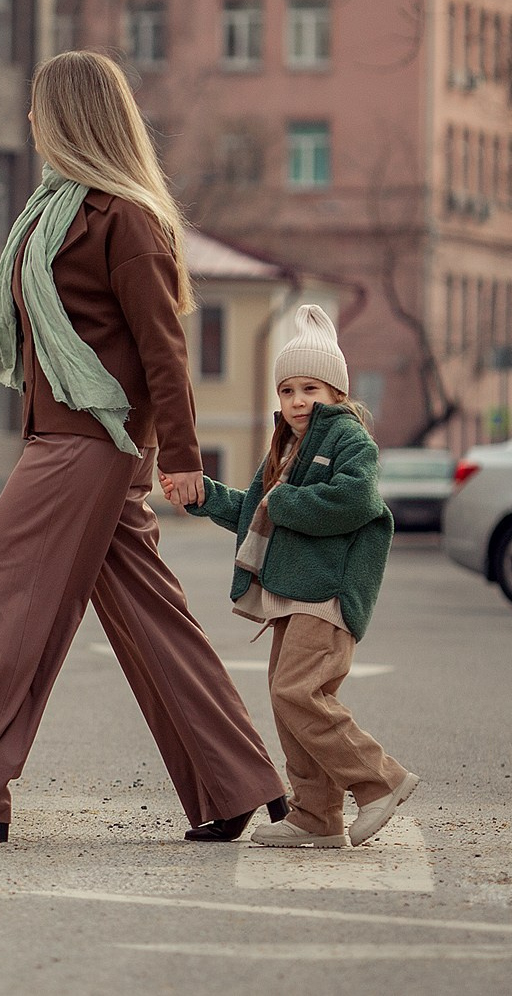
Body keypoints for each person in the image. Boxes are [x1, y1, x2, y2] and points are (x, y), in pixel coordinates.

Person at [0, 50, 286, 844]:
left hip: (88, 443)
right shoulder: (45, 216)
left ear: (69, 117)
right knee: (148, 615)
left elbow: (163, 348)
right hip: (67, 439)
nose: (29, 121)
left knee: (6, 587)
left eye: (39, 108)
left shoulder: (124, 218)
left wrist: (181, 456)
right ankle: (233, 783)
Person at [175, 305, 419, 848]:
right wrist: (203, 495)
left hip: (328, 595)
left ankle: (380, 780)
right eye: (287, 390)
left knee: (298, 691)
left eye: (310, 388)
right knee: (288, 702)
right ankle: (316, 813)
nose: (297, 401)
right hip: (290, 594)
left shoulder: (349, 441)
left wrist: (283, 500)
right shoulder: (283, 451)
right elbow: (256, 509)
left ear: (336, 393)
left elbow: (355, 500)